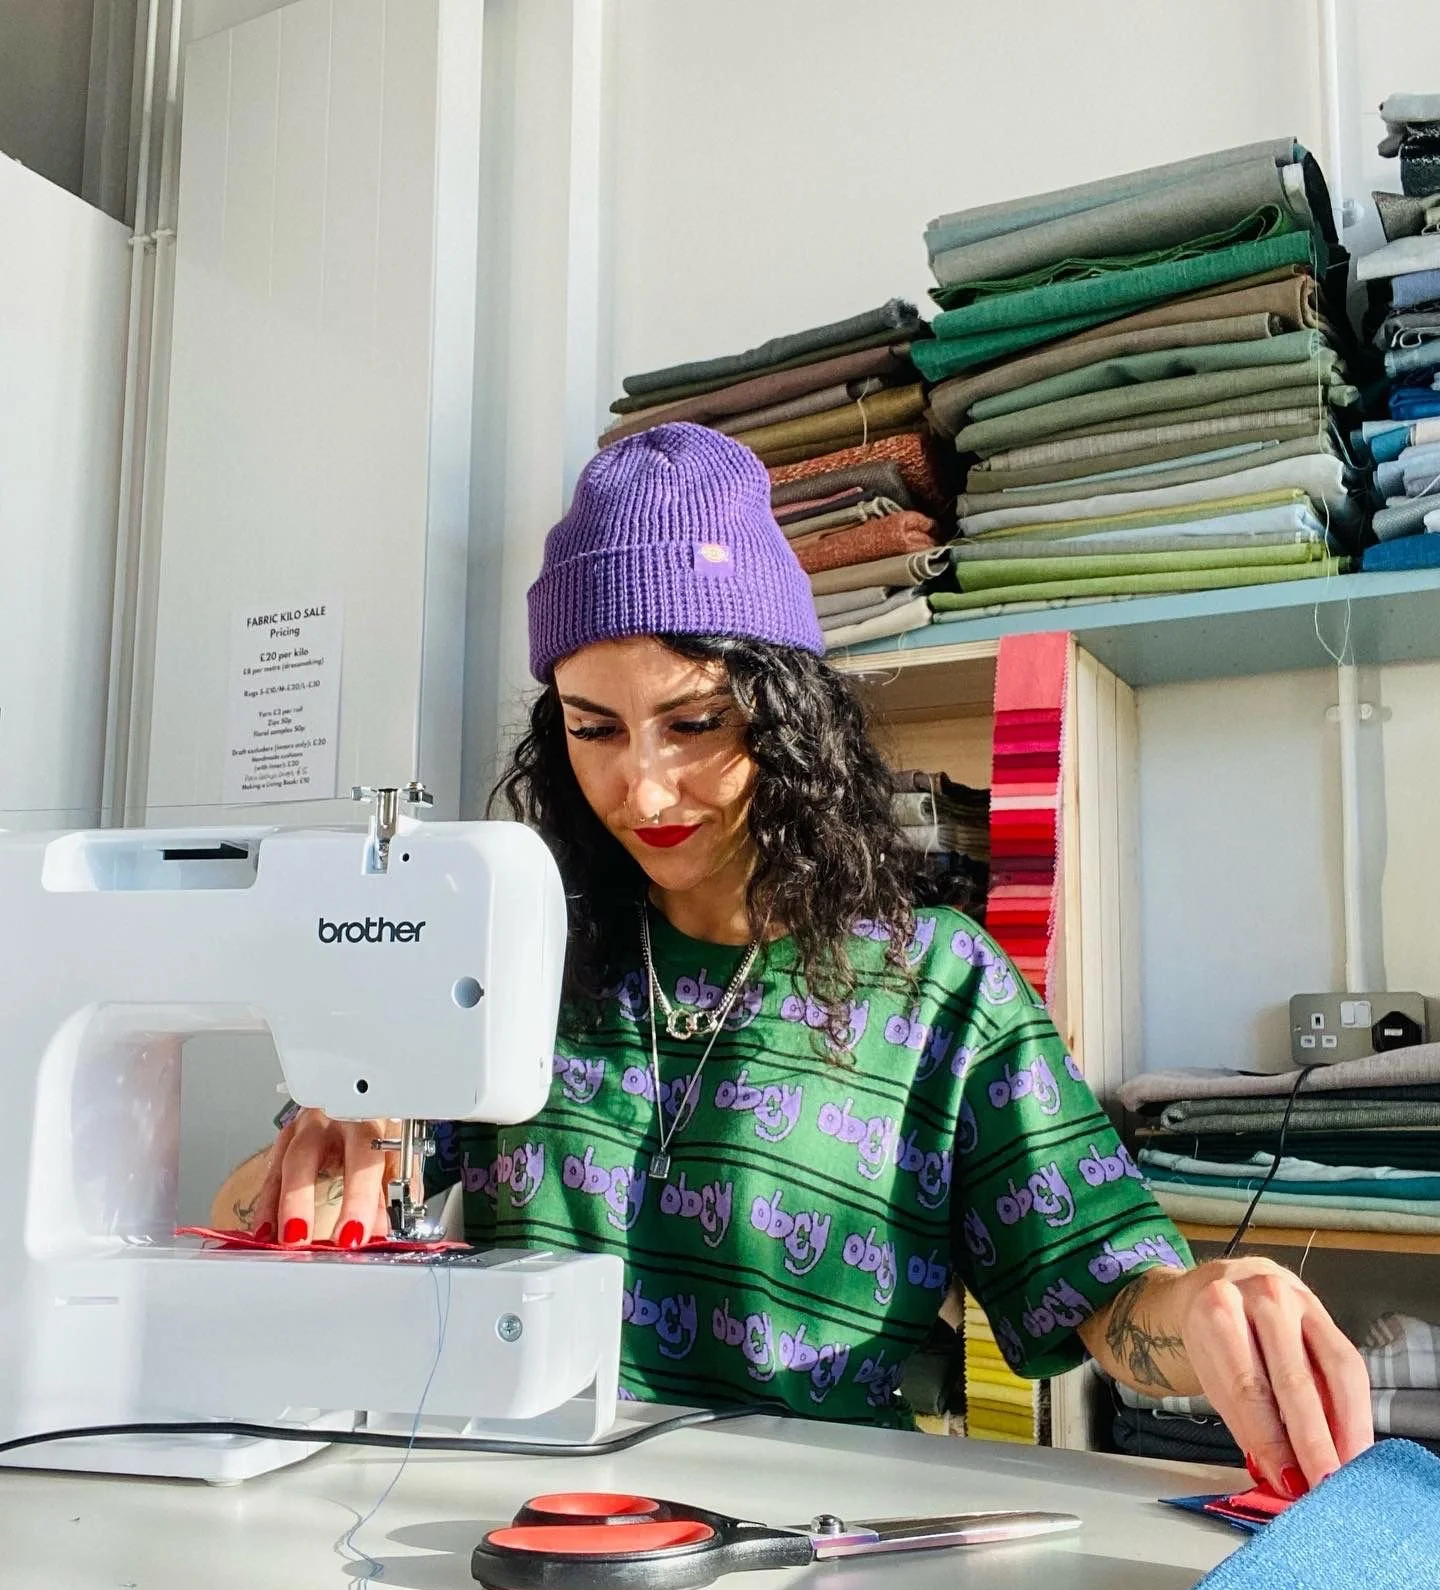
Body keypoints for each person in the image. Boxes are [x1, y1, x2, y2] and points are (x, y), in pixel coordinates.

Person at [214, 422, 1372, 1493]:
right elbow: (275, 1209)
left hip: (815, 1540)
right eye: (593, 728)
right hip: (518, 1516)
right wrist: (316, 1139)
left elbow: (1104, 1299)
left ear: (786, 714)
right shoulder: (504, 959)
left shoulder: (939, 988)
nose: (643, 787)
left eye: (696, 722)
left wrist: (1210, 1301)